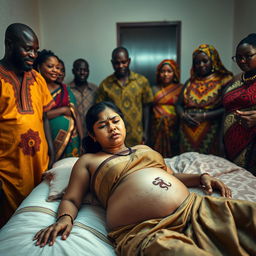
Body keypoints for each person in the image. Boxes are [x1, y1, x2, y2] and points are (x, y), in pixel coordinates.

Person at [34, 101, 256, 256]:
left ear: (123, 122)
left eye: (115, 120)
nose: (112, 128)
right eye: (102, 125)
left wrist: (201, 177)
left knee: (249, 218)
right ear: (92, 134)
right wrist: (64, 219)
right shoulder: (88, 160)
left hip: (193, 209)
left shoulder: (143, 148)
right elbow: (72, 199)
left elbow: (169, 175)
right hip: (145, 230)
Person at [0, 23, 55, 226]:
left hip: (39, 164)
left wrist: (53, 153)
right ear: (9, 45)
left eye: (36, 50)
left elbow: (45, 117)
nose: (33, 55)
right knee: (11, 225)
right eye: (28, 49)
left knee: (37, 218)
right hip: (8, 171)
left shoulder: (37, 78)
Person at [176, 44, 233, 155]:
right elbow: (178, 104)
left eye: (205, 61)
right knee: (188, 165)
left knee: (209, 166)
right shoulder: (190, 81)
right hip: (187, 133)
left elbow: (226, 108)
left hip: (211, 132)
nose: (201, 65)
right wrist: (183, 115)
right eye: (197, 62)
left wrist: (204, 116)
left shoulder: (224, 79)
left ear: (213, 60)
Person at [96, 47, 153, 147]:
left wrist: (146, 132)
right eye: (117, 63)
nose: (121, 66)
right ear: (112, 63)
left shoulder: (141, 81)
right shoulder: (105, 85)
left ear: (129, 61)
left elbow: (147, 108)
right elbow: (100, 112)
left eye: (124, 62)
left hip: (137, 134)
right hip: (114, 135)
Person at [34, 50, 84, 160]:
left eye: (58, 68)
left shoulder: (64, 89)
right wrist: (62, 110)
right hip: (46, 140)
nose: (56, 71)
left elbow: (76, 114)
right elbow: (38, 116)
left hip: (71, 139)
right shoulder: (34, 88)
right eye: (50, 66)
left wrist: (82, 140)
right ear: (39, 67)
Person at [223, 33, 256, 175]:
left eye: (248, 56)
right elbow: (225, 111)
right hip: (230, 143)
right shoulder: (235, 79)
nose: (242, 61)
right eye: (238, 57)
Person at [151, 59, 183, 157]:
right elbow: (148, 109)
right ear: (158, 73)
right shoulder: (153, 89)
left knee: (174, 154)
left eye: (169, 71)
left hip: (174, 127)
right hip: (156, 127)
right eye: (163, 71)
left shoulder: (180, 88)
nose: (165, 74)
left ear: (175, 73)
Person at [68, 58, 98, 135]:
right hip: (73, 133)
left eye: (85, 70)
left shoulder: (95, 89)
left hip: (92, 133)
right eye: (79, 70)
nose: (82, 73)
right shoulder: (66, 90)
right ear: (73, 71)